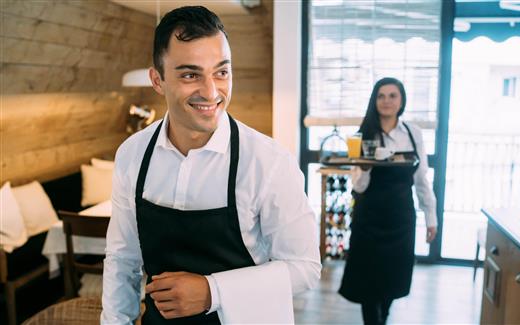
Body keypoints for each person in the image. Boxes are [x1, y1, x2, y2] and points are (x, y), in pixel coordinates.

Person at [101, 6, 321, 324]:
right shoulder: (132, 155)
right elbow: (123, 260)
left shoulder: (269, 163)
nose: (211, 91)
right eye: (190, 74)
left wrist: (211, 291)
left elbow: (305, 268)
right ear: (157, 80)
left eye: (221, 72)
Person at [338, 77, 438, 325]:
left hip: (400, 218)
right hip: (369, 218)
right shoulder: (362, 135)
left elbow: (421, 179)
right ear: (374, 101)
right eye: (381, 96)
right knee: (368, 281)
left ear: (401, 100)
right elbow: (359, 186)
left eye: (392, 95)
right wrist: (364, 166)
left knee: (393, 277)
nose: (387, 101)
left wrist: (431, 218)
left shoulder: (413, 133)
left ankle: (384, 316)